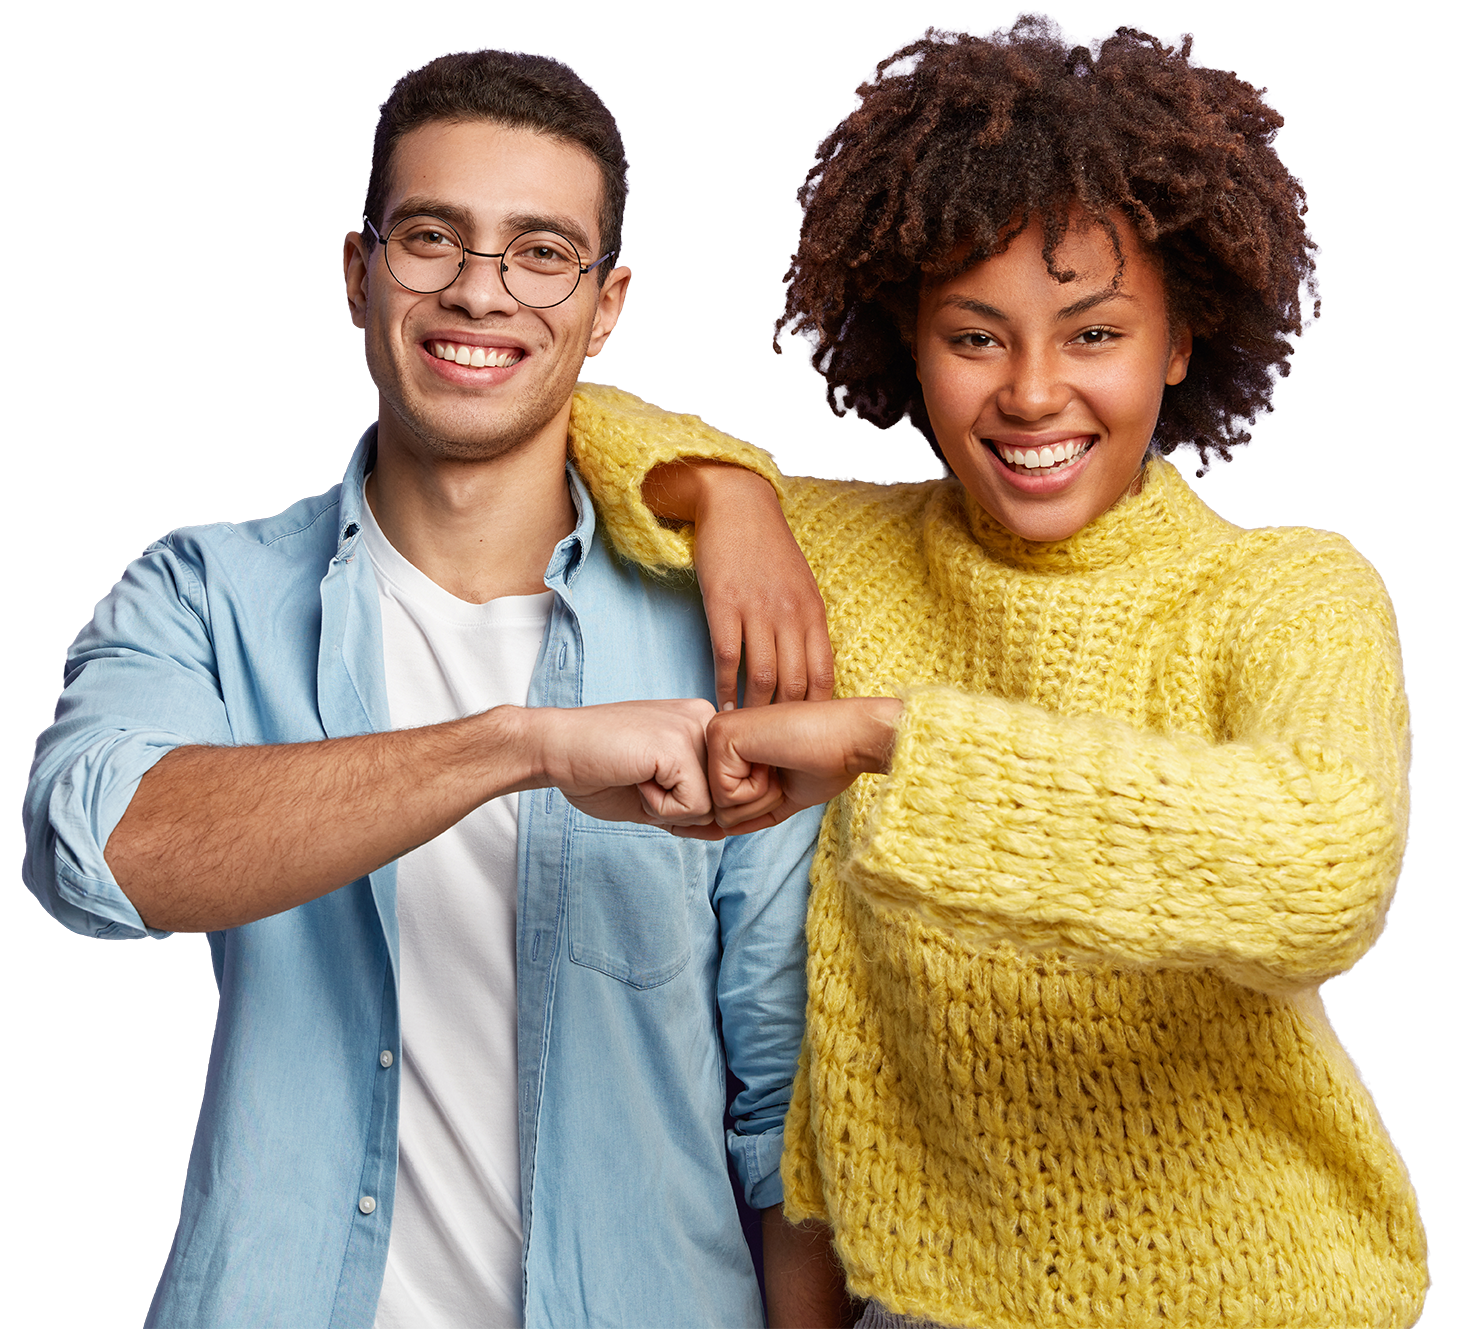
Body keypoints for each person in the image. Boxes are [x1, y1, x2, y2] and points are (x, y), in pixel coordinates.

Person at [571, 18, 1430, 1328]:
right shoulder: (853, 561)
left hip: (1265, 1291)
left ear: (1182, 343)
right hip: (935, 1300)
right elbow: (566, 411)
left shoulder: (1281, 592)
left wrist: (892, 740)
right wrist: (729, 494)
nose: (1033, 395)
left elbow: (1321, 868)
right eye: (976, 338)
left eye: (1093, 335)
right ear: (908, 345)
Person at [23, 49, 843, 1329]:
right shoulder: (205, 595)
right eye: (431, 238)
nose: (479, 292)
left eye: (538, 252)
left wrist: (727, 487)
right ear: (359, 272)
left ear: (607, 301)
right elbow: (100, 855)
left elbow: (788, 1106)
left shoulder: (721, 639)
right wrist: (520, 745)